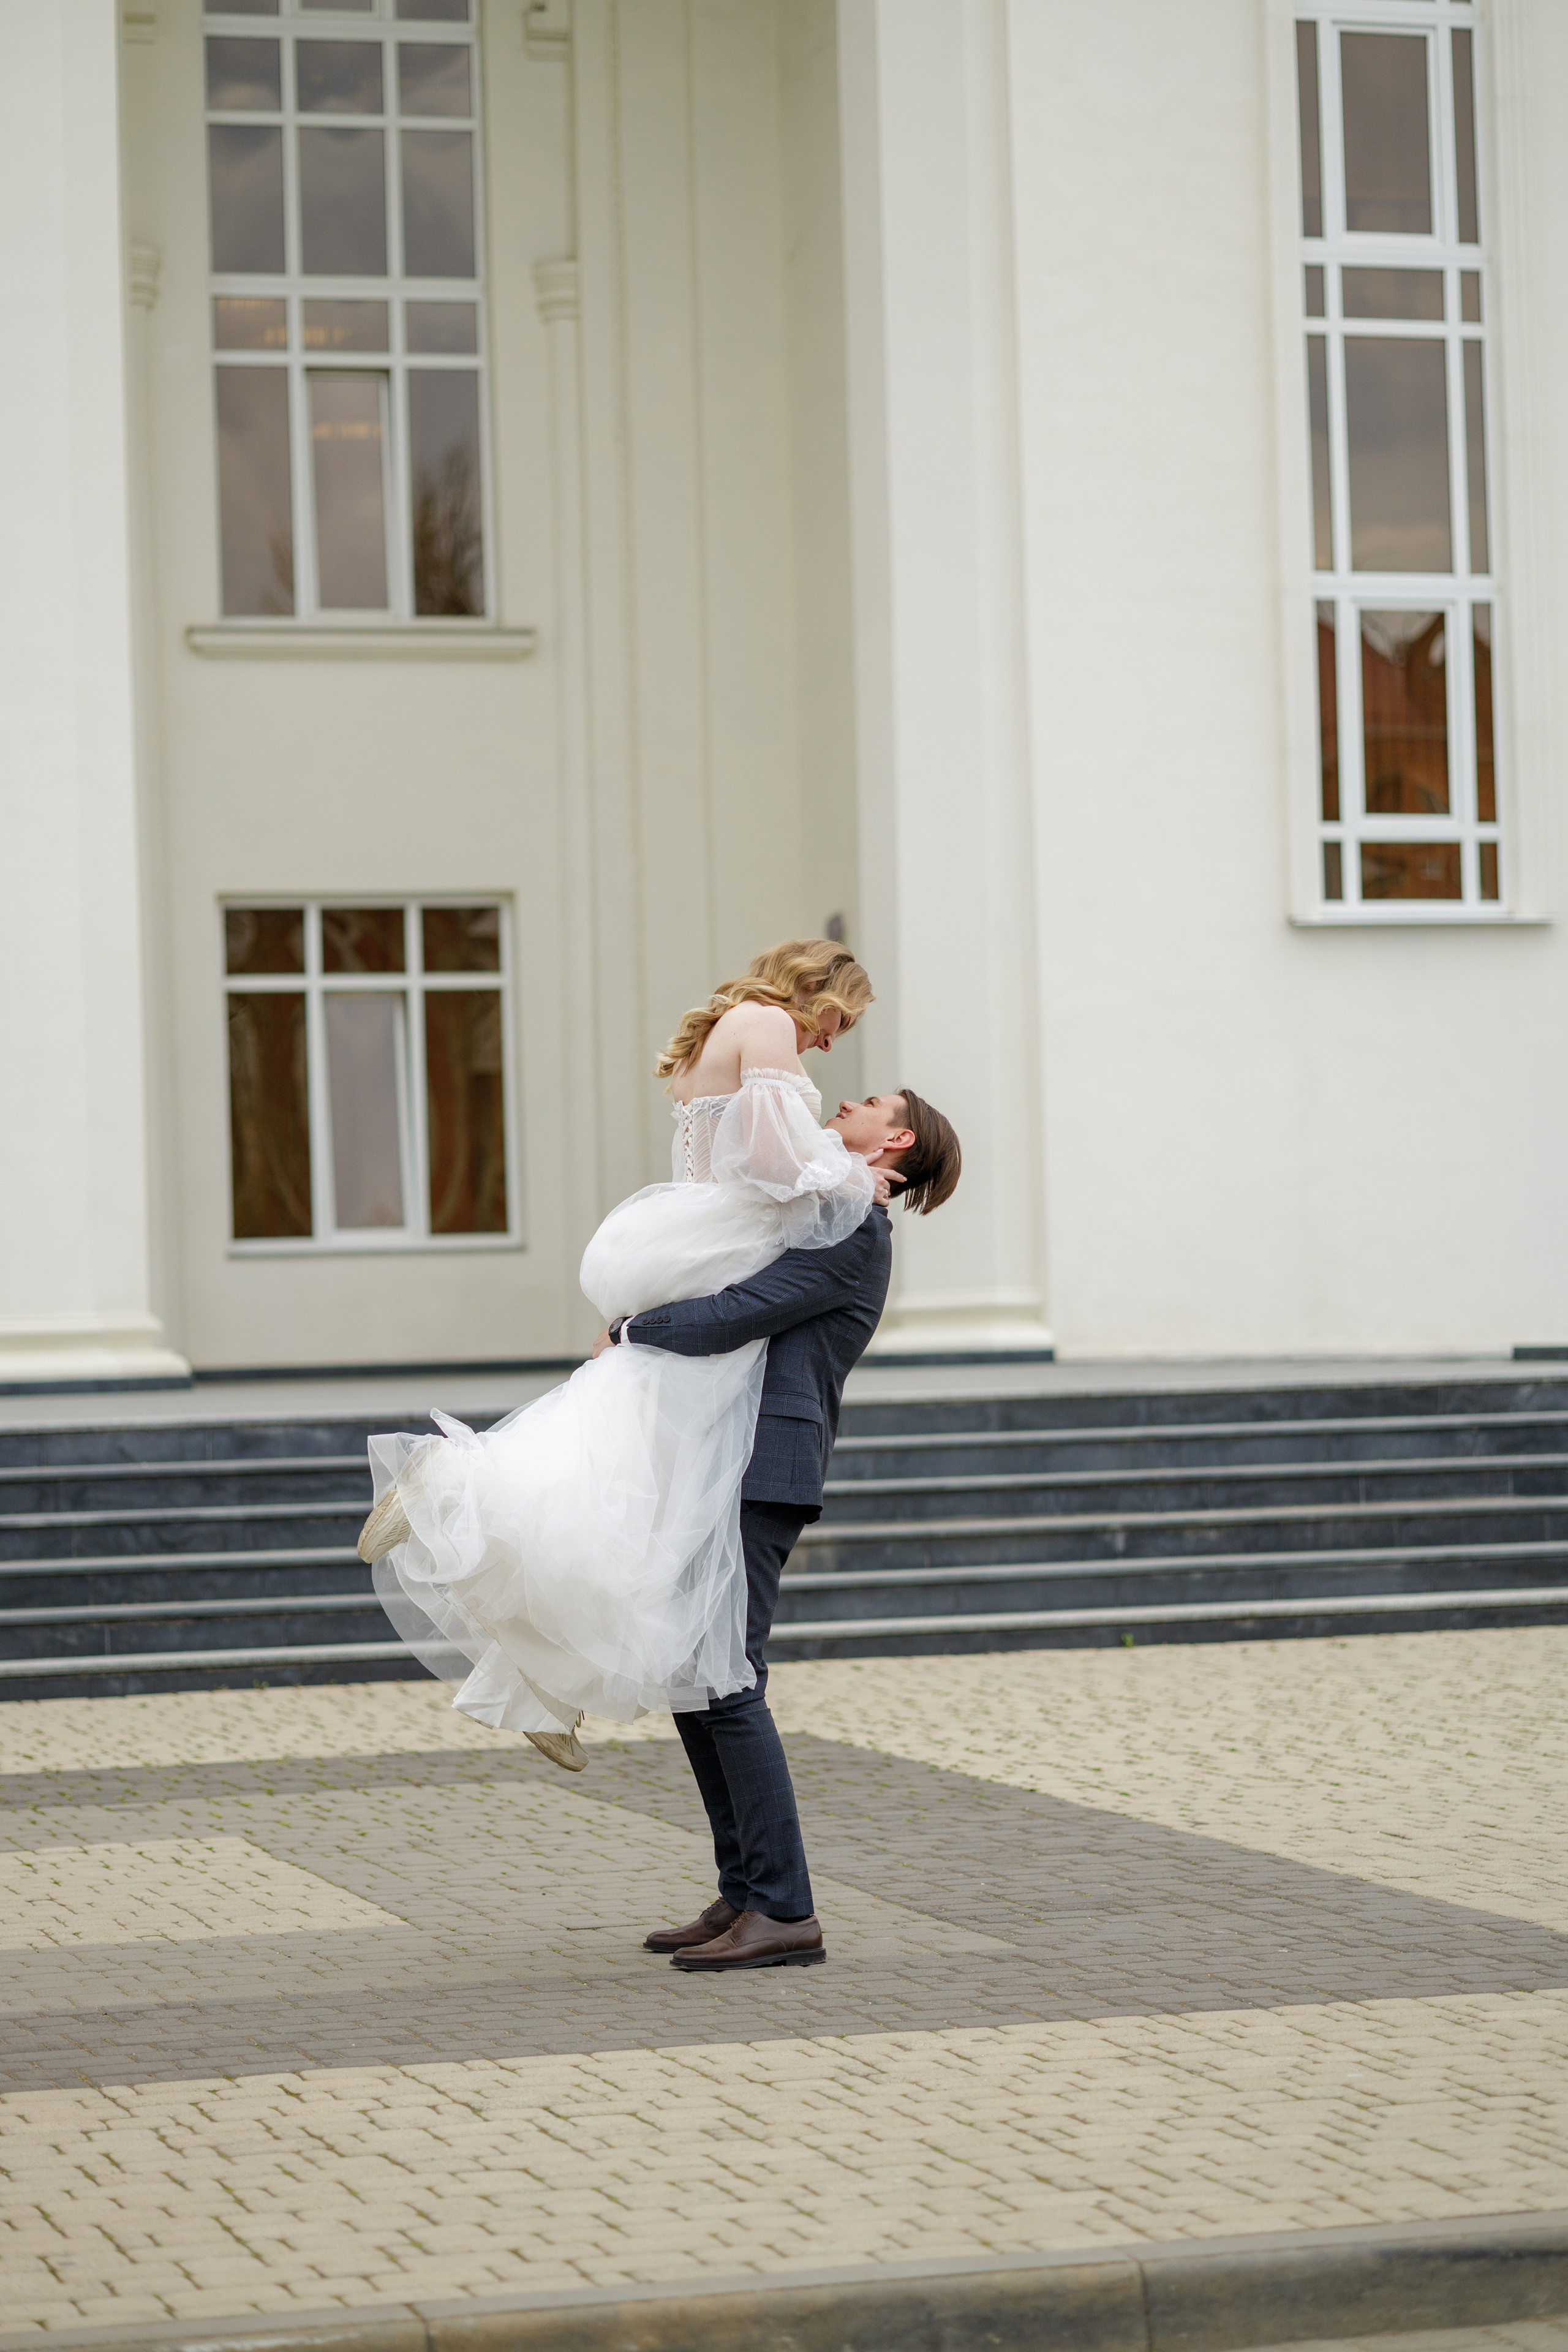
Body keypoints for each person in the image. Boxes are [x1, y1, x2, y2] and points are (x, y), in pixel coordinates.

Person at [357, 941, 897, 1768]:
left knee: (629, 1471)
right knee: (646, 1459)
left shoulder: (732, 1023)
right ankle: (451, 1482)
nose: (832, 1040)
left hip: (680, 1235)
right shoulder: (767, 1024)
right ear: (815, 990)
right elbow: (768, 1157)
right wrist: (853, 1177)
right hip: (719, 1237)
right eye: (840, 1019)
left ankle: (539, 1676)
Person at [617, 1083, 961, 1973]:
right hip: (725, 1461)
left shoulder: (856, 1228)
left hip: (763, 1468)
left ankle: (786, 1910)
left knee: (728, 1678)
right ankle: (745, 1891)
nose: (850, 1095)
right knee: (696, 1676)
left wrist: (631, 1329)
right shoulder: (826, 1212)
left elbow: (741, 1311)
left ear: (894, 1141)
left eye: (875, 1100)